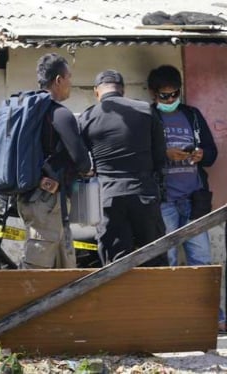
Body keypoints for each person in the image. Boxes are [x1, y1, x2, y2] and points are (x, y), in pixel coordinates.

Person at [78, 69, 168, 267]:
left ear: (96, 92)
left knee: (115, 263)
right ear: (123, 90)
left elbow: (82, 163)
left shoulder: (87, 117)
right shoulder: (145, 110)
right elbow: (160, 156)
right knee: (154, 256)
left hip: (108, 197)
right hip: (144, 193)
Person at [17, 53, 92, 269]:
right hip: (48, 201)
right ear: (58, 80)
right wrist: (86, 170)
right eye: (69, 77)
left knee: (62, 267)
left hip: (30, 197)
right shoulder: (59, 114)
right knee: (37, 268)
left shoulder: (25, 110)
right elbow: (82, 161)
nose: (71, 83)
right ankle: (22, 303)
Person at [147, 65, 218, 267]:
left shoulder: (192, 115)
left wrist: (201, 155)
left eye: (174, 94)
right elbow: (140, 158)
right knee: (167, 259)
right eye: (164, 95)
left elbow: (212, 154)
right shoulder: (148, 117)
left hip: (194, 199)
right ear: (153, 94)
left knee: (202, 258)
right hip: (163, 201)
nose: (170, 100)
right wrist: (164, 154)